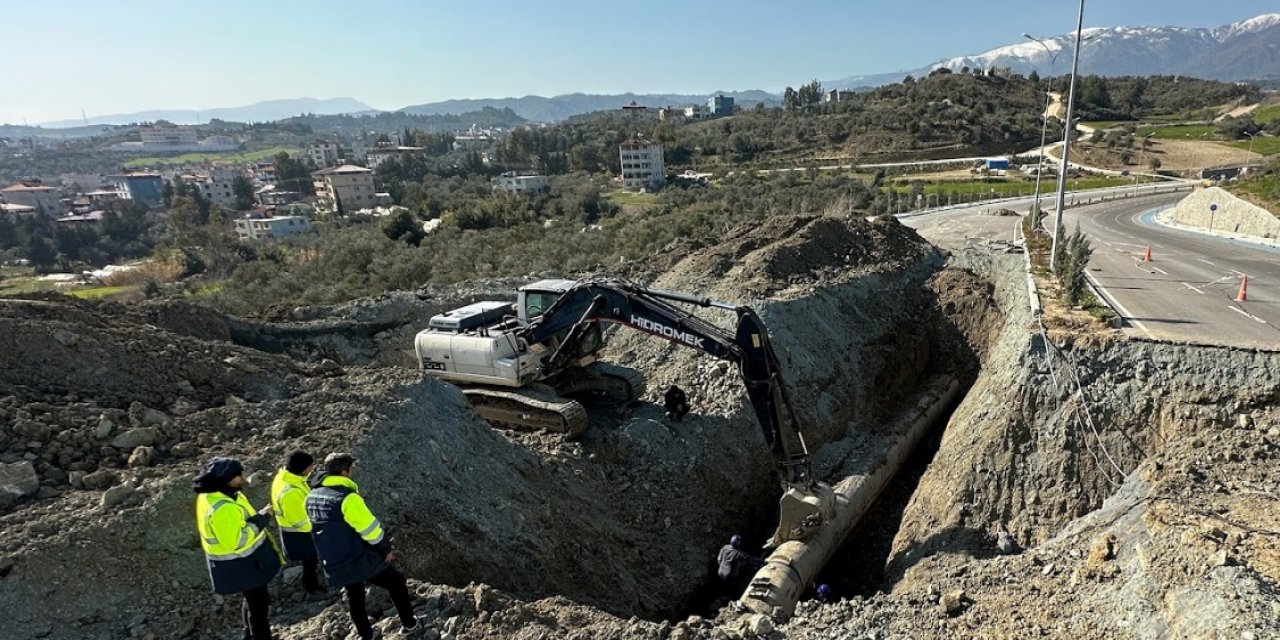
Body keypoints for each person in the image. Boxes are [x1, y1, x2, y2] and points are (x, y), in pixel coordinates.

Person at [307, 453, 419, 640]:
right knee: (397, 582)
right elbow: (370, 530)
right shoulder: (347, 498)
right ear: (345, 472)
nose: (353, 472)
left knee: (354, 596)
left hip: (334, 559)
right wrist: (385, 550)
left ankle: (367, 635)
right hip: (358, 557)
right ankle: (410, 624)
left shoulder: (312, 496)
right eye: (351, 469)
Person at [193, 457, 282, 640]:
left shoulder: (222, 494)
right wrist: (262, 518)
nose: (243, 478)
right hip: (240, 563)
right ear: (226, 479)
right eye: (238, 475)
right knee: (258, 608)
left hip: (243, 563)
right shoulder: (223, 507)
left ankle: (248, 635)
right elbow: (237, 540)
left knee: (251, 601)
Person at [271, 450, 322, 593]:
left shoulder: (285, 478)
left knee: (310, 561)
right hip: (300, 535)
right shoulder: (291, 492)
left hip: (295, 532)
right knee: (310, 561)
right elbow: (301, 523)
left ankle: (312, 585)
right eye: (310, 467)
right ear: (303, 469)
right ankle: (312, 589)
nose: (312, 470)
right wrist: (320, 527)